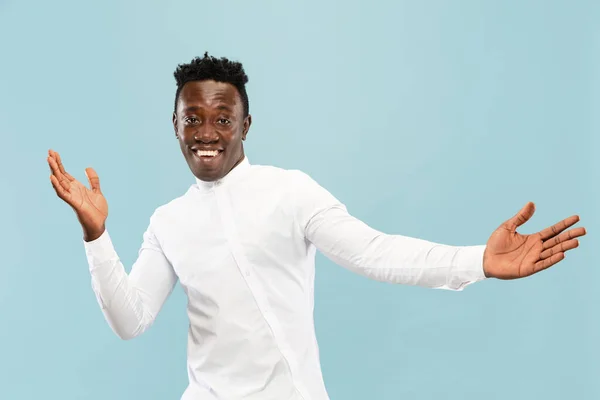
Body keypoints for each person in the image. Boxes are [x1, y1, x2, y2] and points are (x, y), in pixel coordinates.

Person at [48, 53, 586, 400]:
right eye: (192, 118)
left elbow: (374, 252)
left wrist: (477, 262)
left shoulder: (291, 191)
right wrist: (96, 237)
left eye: (222, 118)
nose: (205, 132)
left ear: (245, 125)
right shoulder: (168, 221)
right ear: (175, 125)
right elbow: (130, 320)